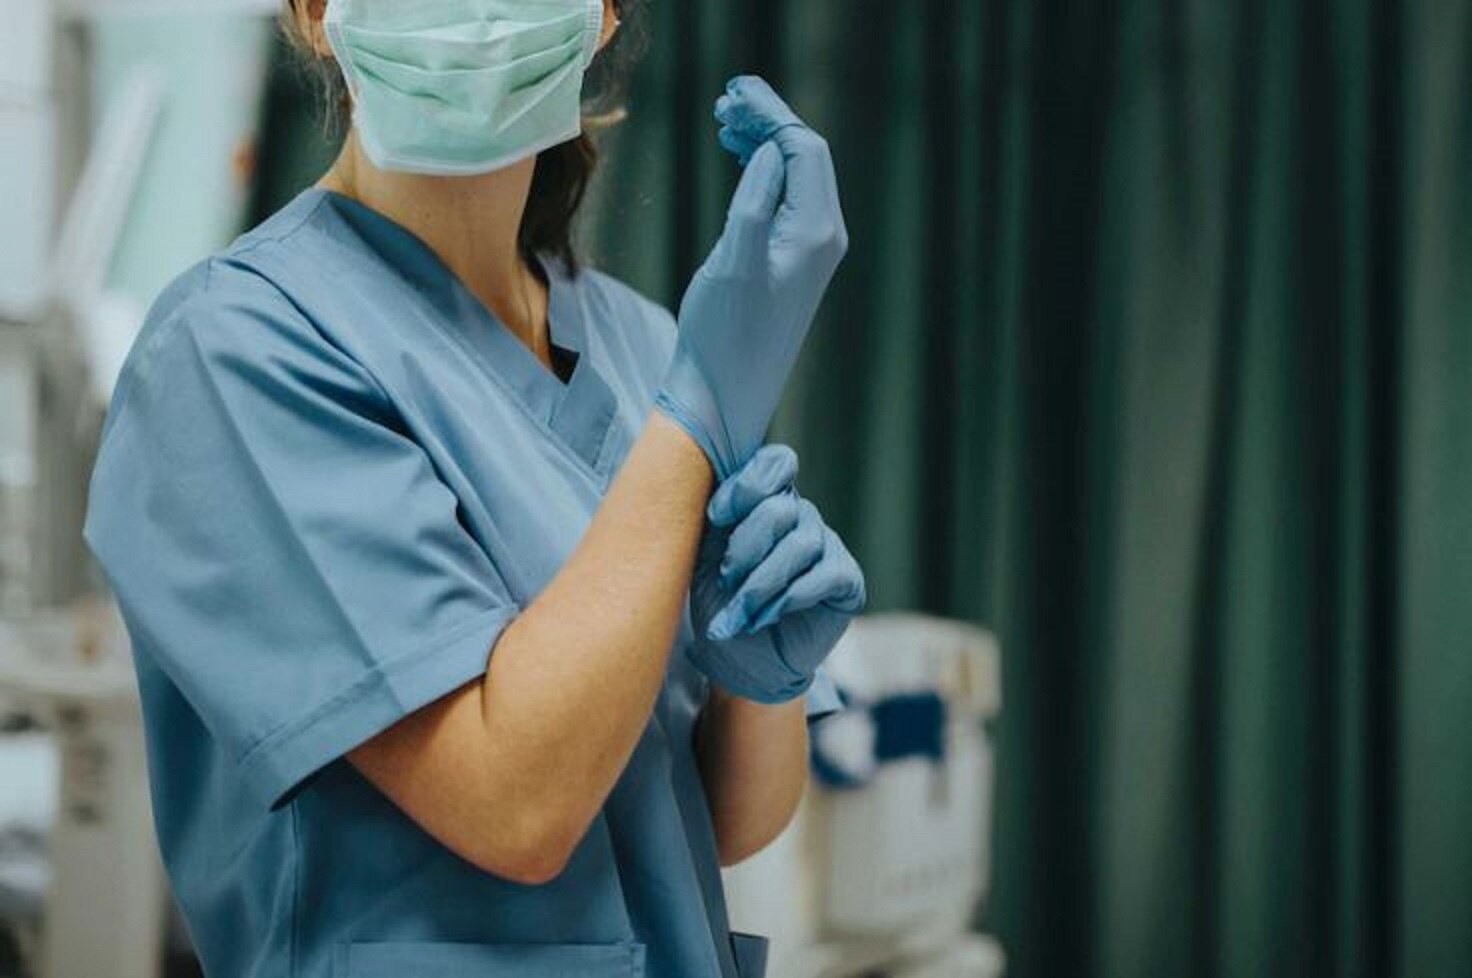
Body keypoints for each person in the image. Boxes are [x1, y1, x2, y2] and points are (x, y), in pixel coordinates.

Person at [83, 1, 862, 977]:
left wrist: (763, 684)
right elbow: (517, 804)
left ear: (604, 14)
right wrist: (695, 417)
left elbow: (728, 821)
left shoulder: (646, 347)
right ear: (318, 14)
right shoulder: (232, 349)